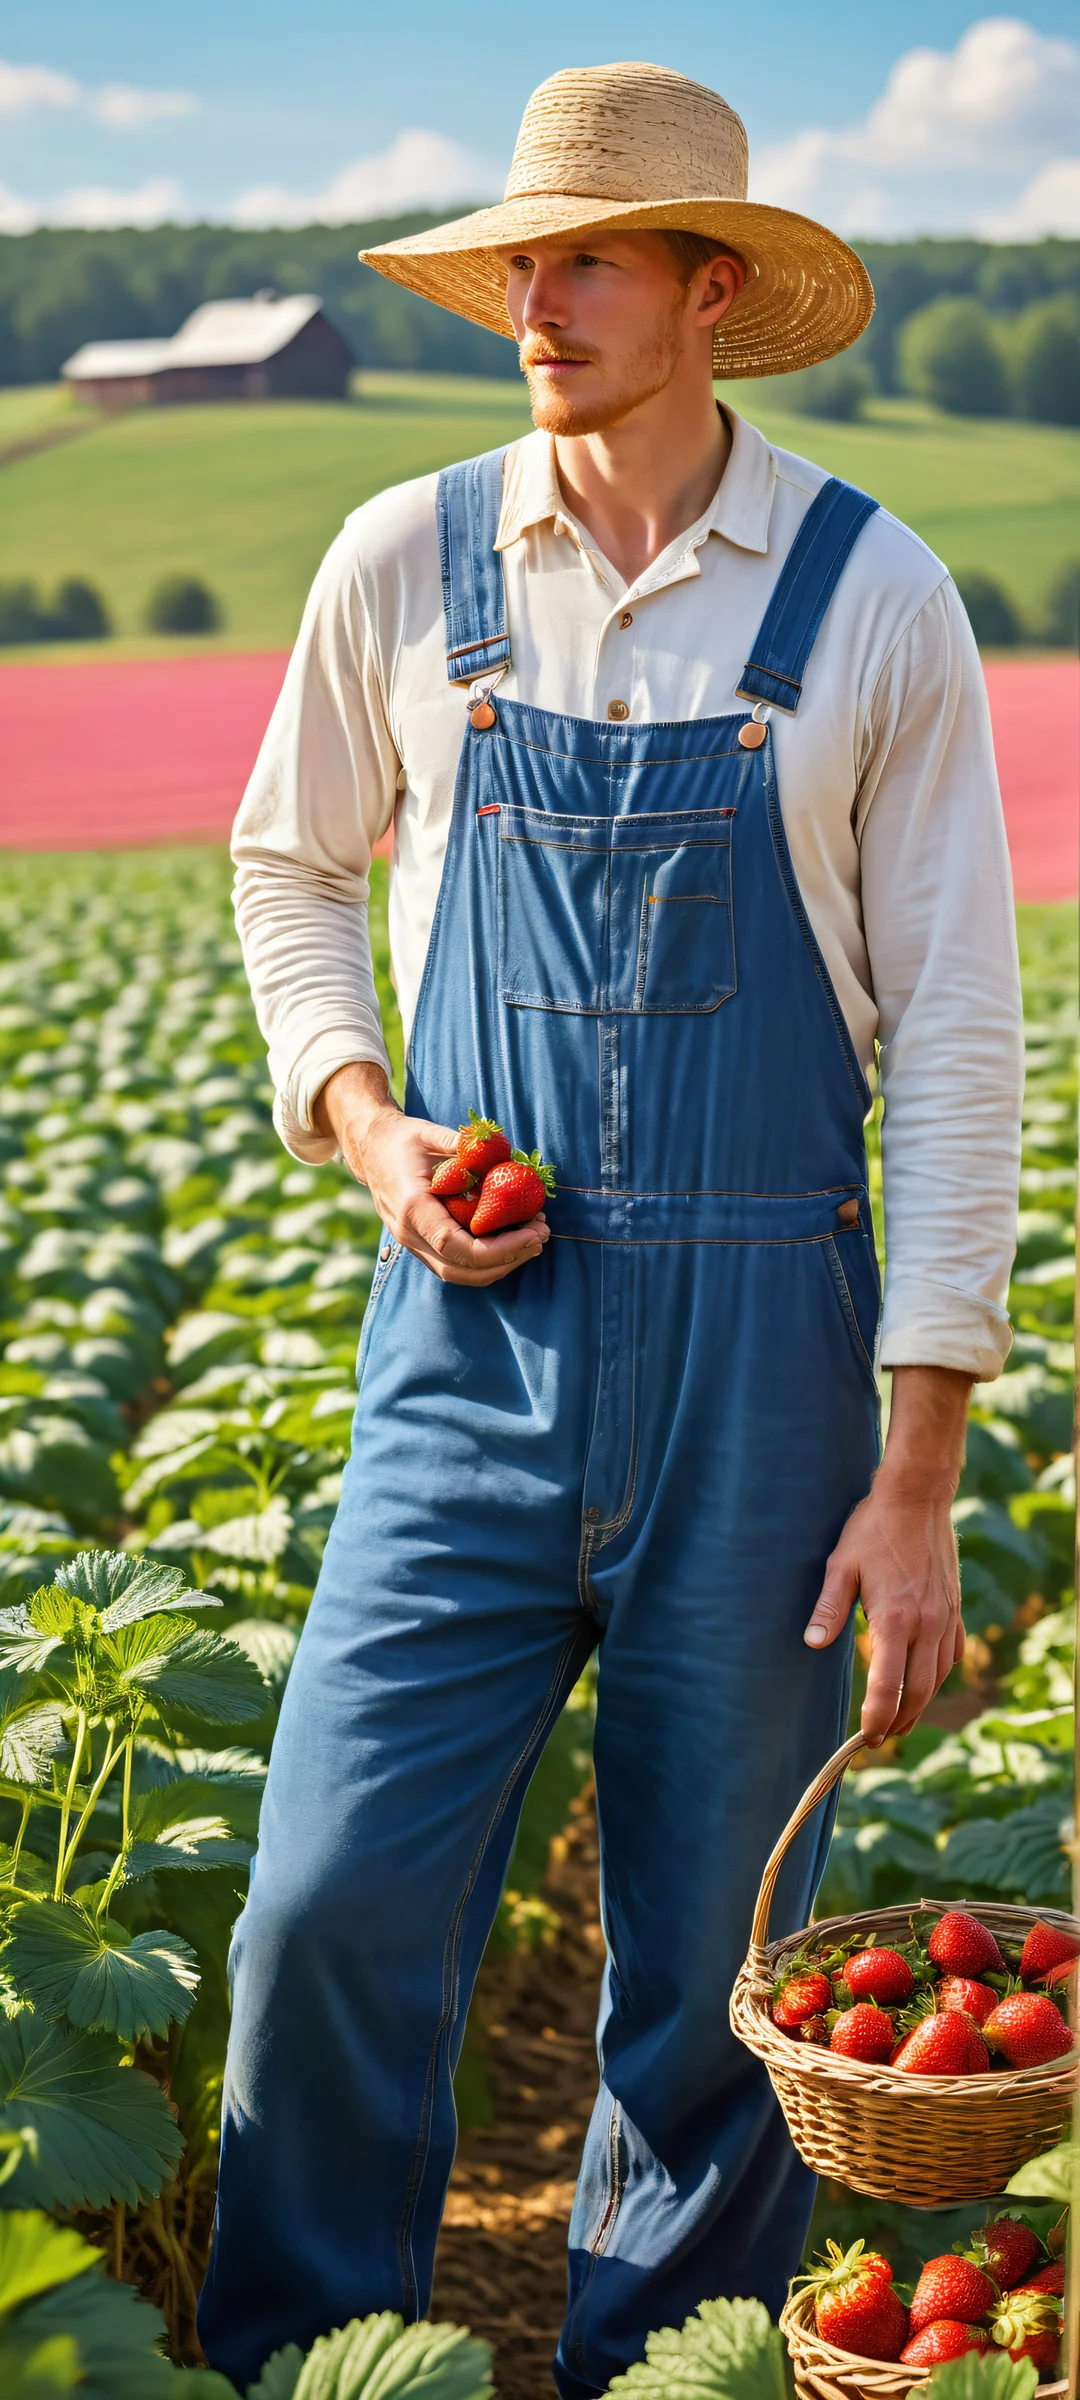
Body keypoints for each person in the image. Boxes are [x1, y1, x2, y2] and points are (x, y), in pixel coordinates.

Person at [198, 61, 1022, 2398]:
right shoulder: (404, 559)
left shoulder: (873, 600)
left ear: (709, 292)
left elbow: (959, 1033)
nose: (536, 303)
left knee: (705, 1974)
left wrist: (921, 1467)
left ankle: (671, 2369)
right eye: (517, 266)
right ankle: (305, 2358)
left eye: (586, 261)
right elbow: (285, 868)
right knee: (321, 1912)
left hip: (774, 1362)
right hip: (465, 1350)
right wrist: (368, 1130)